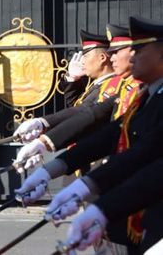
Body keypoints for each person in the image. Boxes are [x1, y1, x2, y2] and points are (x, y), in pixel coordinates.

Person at [17, 16, 163, 254]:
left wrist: (96, 201)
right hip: (129, 201)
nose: (119, 56)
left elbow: (145, 155)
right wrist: (49, 157)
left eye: (137, 49)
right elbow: (96, 119)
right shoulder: (145, 96)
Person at [13, 25, 135, 172]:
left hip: (98, 160)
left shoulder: (115, 85)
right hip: (84, 156)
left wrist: (45, 136)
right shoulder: (97, 85)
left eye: (86, 55)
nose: (82, 60)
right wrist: (72, 79)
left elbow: (90, 114)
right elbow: (79, 109)